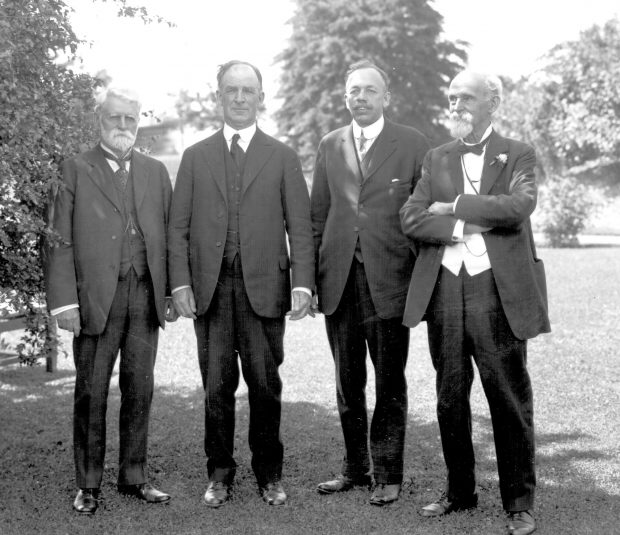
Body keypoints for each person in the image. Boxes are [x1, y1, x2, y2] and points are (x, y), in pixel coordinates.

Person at [399, 70, 550, 535]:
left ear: (493, 102)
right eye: (451, 98)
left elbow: (518, 206)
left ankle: (519, 502)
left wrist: (455, 205)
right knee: (449, 398)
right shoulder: (437, 157)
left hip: (497, 291)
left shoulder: (519, 153)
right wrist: (463, 226)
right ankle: (460, 491)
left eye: (466, 98)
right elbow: (410, 217)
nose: (456, 105)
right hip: (445, 289)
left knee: (507, 397)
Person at [168, 60, 314, 508]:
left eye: (247, 90)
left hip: (265, 288)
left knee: (265, 386)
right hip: (210, 289)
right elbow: (178, 228)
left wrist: (303, 285)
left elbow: (301, 228)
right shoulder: (196, 156)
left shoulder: (283, 156)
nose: (239, 98)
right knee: (216, 387)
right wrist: (180, 285)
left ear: (260, 96)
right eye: (230, 90)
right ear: (218, 96)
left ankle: (269, 474)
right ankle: (219, 474)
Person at [46, 87, 176, 515]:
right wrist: (64, 303)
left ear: (138, 123)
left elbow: (172, 236)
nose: (123, 127)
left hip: (144, 296)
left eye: (130, 120)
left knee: (140, 389)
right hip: (94, 300)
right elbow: (58, 241)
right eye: (115, 118)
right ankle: (87, 484)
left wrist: (172, 290)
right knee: (91, 392)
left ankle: (134, 476)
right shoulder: (74, 168)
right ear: (99, 121)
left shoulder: (155, 171)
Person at [311, 59, 429, 506]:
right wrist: (314, 280)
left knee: (389, 382)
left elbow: (424, 214)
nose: (359, 97)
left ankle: (388, 473)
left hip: (390, 283)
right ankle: (355, 469)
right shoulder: (330, 144)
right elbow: (317, 215)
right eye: (352, 91)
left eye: (368, 90)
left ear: (385, 97)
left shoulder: (413, 144)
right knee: (347, 382)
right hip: (338, 281)